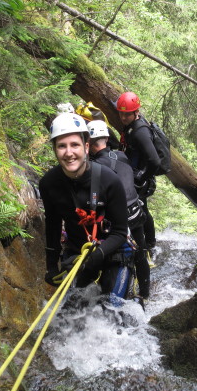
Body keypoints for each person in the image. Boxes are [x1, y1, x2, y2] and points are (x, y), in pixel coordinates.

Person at [38, 112, 131, 301]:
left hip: (114, 251)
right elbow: (53, 225)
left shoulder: (109, 180)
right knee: (72, 313)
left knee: (112, 310)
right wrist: (51, 266)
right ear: (55, 150)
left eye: (75, 145)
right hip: (77, 252)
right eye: (61, 146)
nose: (69, 152)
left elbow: (120, 232)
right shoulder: (49, 183)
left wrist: (98, 255)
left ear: (86, 147)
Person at [87, 119, 150, 301]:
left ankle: (105, 287)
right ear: (107, 138)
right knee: (140, 253)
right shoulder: (122, 157)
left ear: (89, 143)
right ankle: (144, 294)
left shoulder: (95, 168)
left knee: (110, 251)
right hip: (136, 212)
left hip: (117, 218)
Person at [116, 91, 160, 257]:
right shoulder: (132, 126)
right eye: (121, 113)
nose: (123, 117)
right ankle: (149, 242)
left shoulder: (140, 132)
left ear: (136, 112)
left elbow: (154, 161)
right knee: (142, 208)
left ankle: (148, 244)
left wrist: (141, 178)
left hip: (140, 178)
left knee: (141, 209)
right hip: (135, 175)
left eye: (127, 114)